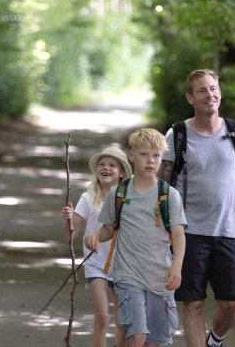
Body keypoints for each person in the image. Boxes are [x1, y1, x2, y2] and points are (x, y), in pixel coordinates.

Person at [158, 69, 235, 347]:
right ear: (190, 97)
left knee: (230, 303)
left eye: (213, 88)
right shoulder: (177, 135)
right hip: (187, 233)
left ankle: (214, 340)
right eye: (202, 90)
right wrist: (160, 227)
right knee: (192, 304)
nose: (210, 94)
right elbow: (162, 185)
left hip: (226, 231)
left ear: (220, 92)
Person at [85, 128, 187, 347]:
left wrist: (177, 266)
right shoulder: (119, 193)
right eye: (143, 154)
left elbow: (178, 234)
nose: (150, 160)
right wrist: (95, 234)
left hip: (160, 276)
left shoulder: (169, 195)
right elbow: (108, 228)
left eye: (156, 155)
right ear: (132, 156)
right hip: (127, 276)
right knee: (137, 335)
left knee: (154, 342)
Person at [61, 146, 132, 347]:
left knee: (122, 321)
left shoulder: (128, 198)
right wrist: (68, 219)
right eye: (102, 164)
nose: (106, 168)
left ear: (122, 173)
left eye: (112, 165)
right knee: (102, 317)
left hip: (122, 265)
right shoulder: (88, 197)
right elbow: (69, 235)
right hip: (96, 264)